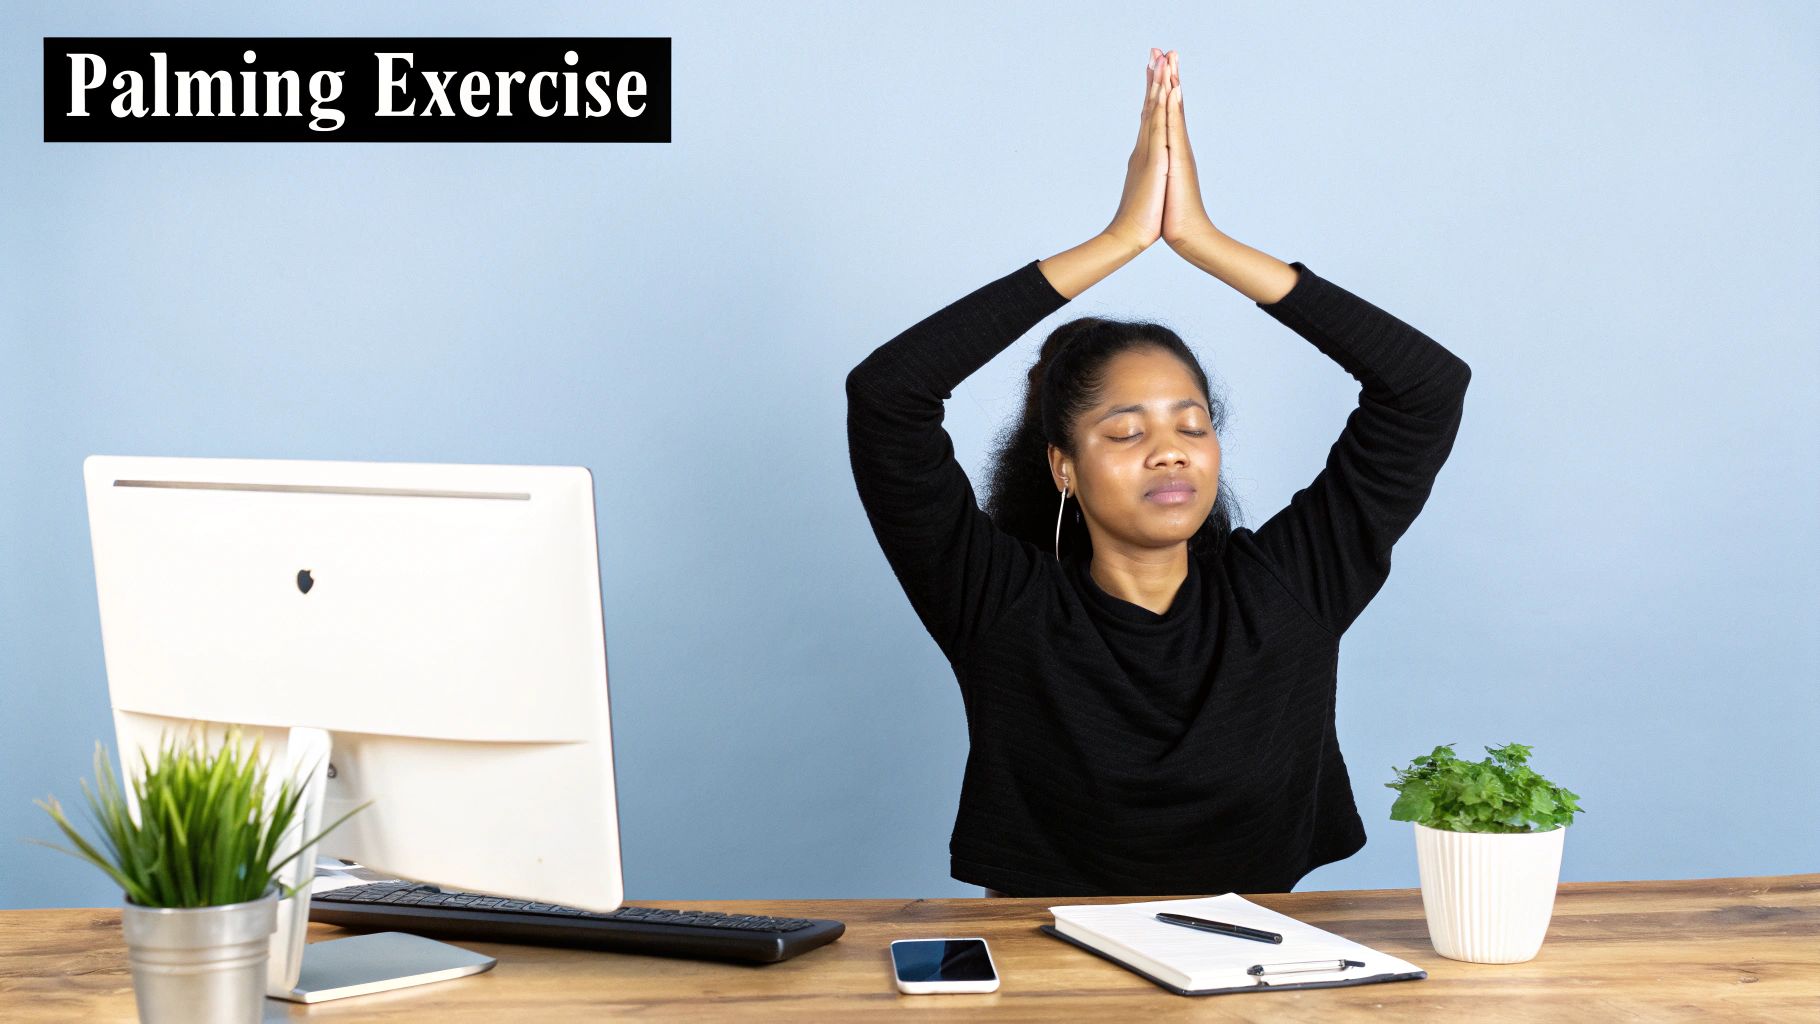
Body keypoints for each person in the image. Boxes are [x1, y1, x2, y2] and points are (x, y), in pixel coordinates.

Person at [844, 48, 1472, 898]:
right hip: (1046, 981)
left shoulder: (1288, 588)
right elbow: (888, 396)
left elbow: (1426, 388)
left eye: (1191, 424)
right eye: (1125, 431)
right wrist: (1117, 242)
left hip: (1259, 973)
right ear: (1062, 467)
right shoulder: (1001, 606)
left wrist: (1204, 243)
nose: (1171, 449)